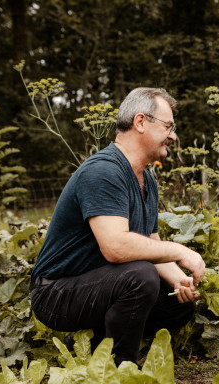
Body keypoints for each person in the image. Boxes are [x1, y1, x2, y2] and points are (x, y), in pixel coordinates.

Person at [30, 87, 205, 366]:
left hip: (96, 284)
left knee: (177, 303)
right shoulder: (104, 171)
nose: (173, 135)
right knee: (141, 276)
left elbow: (151, 242)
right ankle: (121, 367)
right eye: (168, 126)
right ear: (140, 122)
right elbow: (115, 247)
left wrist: (178, 279)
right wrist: (180, 251)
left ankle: (91, 343)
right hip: (56, 293)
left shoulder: (147, 180)